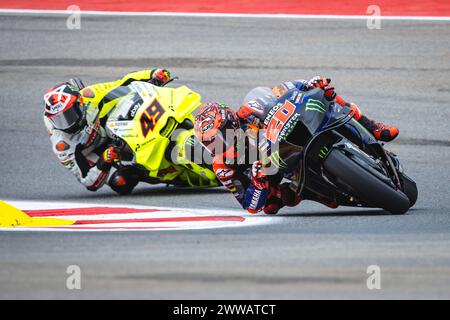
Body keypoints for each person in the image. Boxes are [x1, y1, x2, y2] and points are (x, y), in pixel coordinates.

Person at [194, 76, 399, 214]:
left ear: (231, 123)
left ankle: (372, 127)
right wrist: (258, 181)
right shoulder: (222, 167)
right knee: (272, 205)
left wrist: (308, 83)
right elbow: (250, 206)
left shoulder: (250, 110)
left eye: (218, 138)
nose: (216, 146)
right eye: (209, 143)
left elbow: (282, 90)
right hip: (273, 172)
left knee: (328, 97)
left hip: (286, 136)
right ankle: (315, 193)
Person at [43, 68, 171, 194]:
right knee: (120, 182)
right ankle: (149, 172)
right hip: (95, 152)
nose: (65, 125)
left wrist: (153, 74)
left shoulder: (89, 95)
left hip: (109, 127)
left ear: (79, 103)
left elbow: (122, 83)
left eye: (68, 115)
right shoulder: (62, 145)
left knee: (130, 100)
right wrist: (105, 159)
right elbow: (88, 182)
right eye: (58, 120)